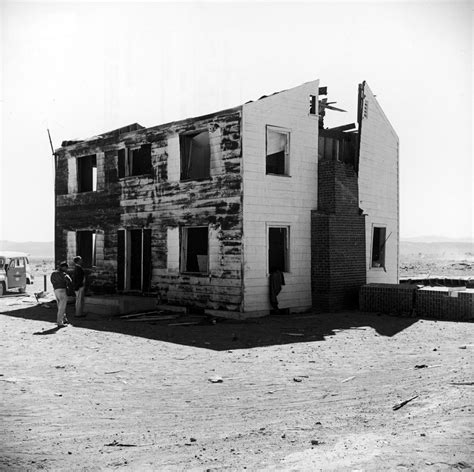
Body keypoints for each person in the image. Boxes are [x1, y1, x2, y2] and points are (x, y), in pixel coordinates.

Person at [50, 261, 72, 327]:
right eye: (66, 268)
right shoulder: (63, 274)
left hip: (56, 290)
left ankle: (64, 319)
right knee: (62, 307)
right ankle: (59, 322)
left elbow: (52, 281)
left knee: (60, 306)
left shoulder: (53, 273)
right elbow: (69, 280)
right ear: (64, 267)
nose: (67, 269)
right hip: (62, 290)